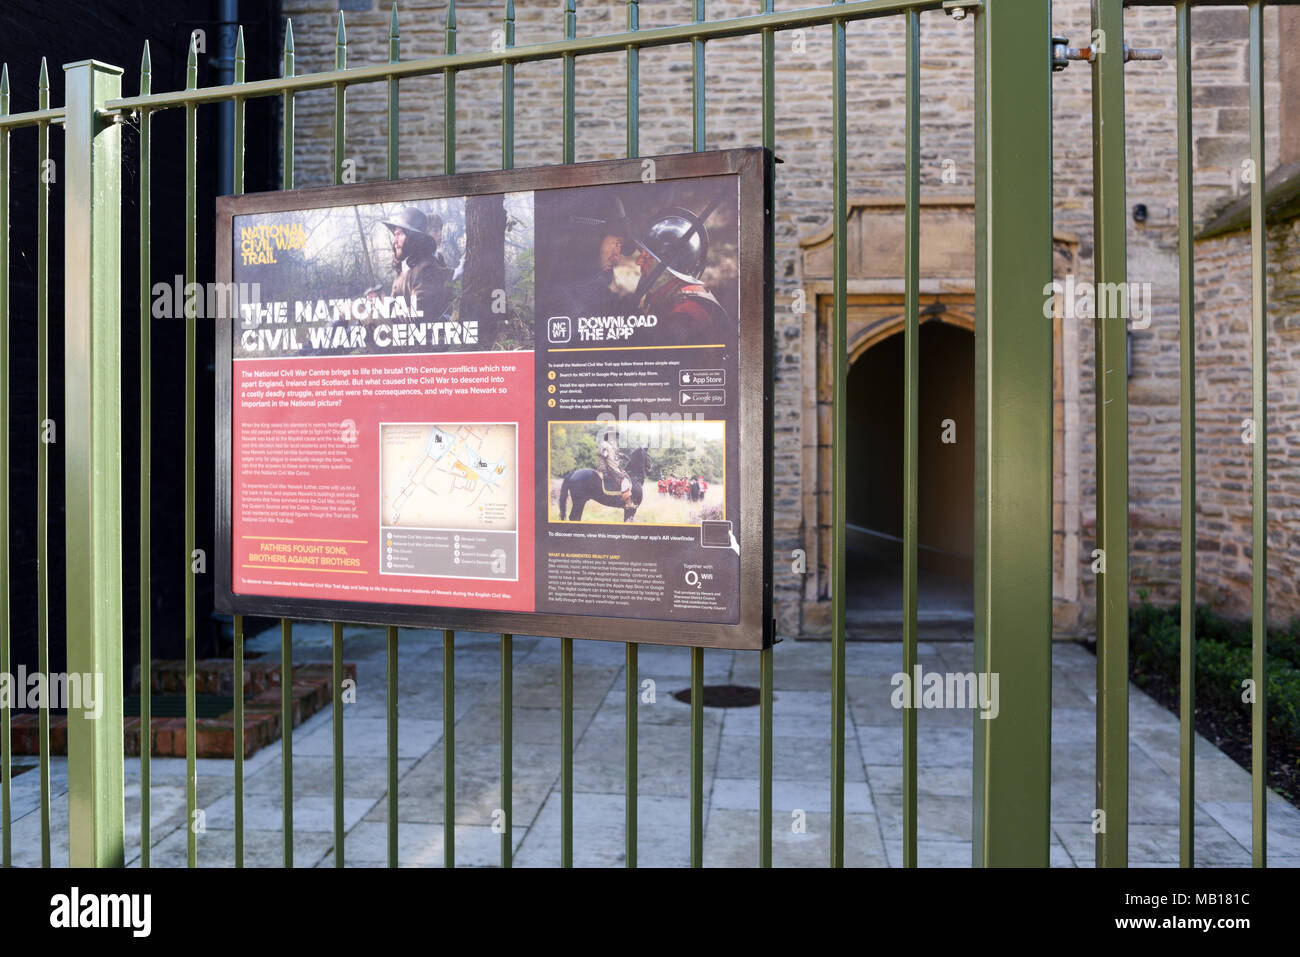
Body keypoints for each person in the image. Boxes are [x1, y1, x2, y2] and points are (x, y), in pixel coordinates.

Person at [629, 206, 729, 346]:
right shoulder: (669, 295)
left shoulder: (686, 310)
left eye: (647, 258)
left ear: (671, 268)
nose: (638, 262)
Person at [377, 206, 452, 320]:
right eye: (395, 235)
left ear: (414, 239)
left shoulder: (427, 270)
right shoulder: (403, 269)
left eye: (400, 234)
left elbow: (418, 316)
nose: (395, 241)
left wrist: (384, 311)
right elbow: (396, 303)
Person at [596, 428, 631, 500]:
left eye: (614, 435)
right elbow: (600, 453)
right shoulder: (604, 444)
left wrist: (621, 455)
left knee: (625, 475)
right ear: (607, 436)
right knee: (623, 479)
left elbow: (615, 454)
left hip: (613, 465)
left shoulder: (613, 445)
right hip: (607, 466)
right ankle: (627, 501)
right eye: (611, 435)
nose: (613, 437)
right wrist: (604, 453)